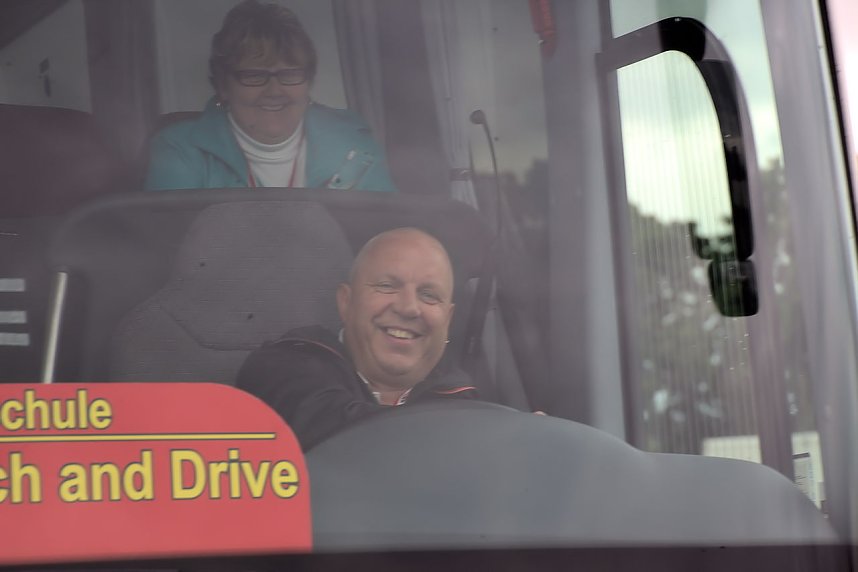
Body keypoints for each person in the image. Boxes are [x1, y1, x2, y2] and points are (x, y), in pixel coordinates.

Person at [236, 227, 478, 450]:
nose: (409, 308)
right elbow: (324, 433)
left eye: (429, 295)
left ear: (448, 318)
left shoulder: (469, 401)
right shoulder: (285, 368)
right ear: (346, 302)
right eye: (387, 286)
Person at [144, 0, 396, 192]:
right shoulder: (179, 151)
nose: (274, 91)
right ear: (223, 85)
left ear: (309, 80)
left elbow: (383, 239)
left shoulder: (354, 143)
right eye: (254, 75)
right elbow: (171, 251)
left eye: (289, 74)